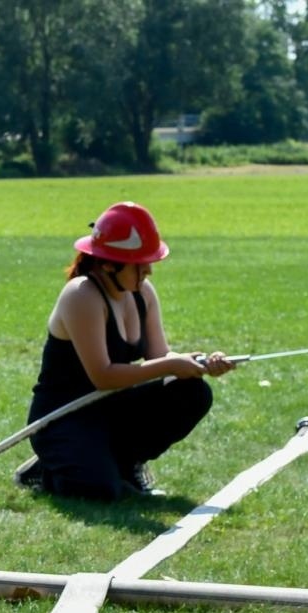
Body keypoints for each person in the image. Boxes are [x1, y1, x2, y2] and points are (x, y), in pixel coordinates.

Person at [17, 201, 236, 500]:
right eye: (139, 263)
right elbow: (104, 377)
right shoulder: (81, 296)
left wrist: (199, 362)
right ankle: (49, 468)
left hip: (111, 408)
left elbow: (160, 358)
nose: (149, 270)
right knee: (100, 492)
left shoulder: (142, 293)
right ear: (108, 264)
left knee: (193, 392)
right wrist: (171, 366)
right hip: (65, 417)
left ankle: (124, 463)